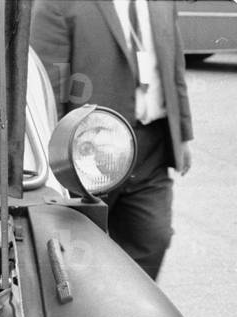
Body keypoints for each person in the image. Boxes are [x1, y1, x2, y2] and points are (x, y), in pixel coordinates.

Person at [31, 0, 193, 280]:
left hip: (151, 145)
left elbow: (174, 67)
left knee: (153, 239)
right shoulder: (58, 4)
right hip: (88, 153)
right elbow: (49, 85)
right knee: (83, 249)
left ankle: (130, 315)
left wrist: (184, 134)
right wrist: (53, 156)